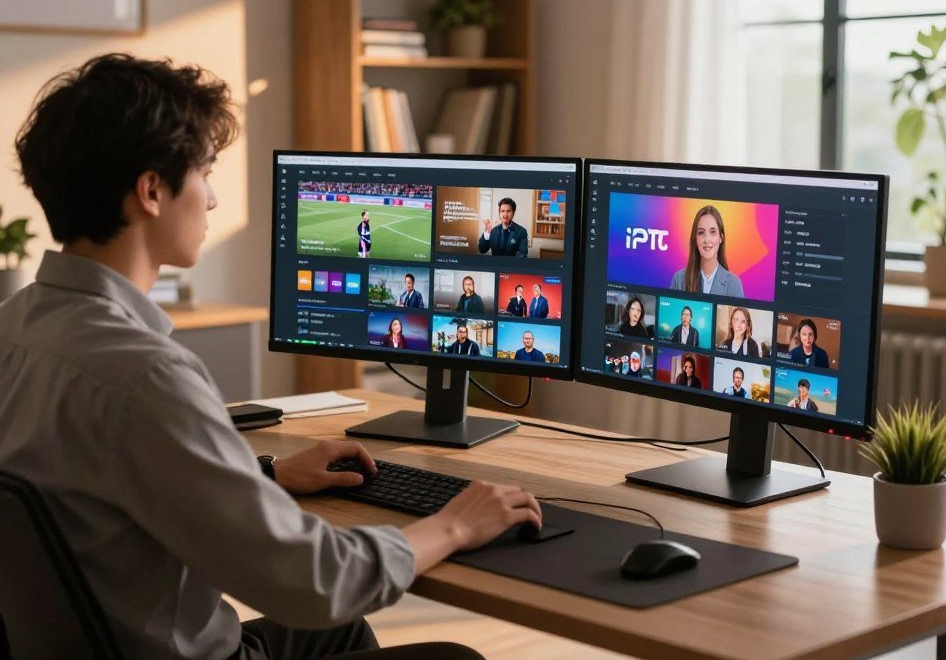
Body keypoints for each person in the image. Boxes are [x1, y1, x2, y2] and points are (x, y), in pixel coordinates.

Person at [0, 54, 541, 660]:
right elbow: (315, 583)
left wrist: (266, 477)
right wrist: (453, 525)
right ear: (152, 191)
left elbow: (91, 483)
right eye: (204, 172)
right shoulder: (147, 375)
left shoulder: (14, 328)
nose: (210, 199)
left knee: (338, 637)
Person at [669, 205, 744, 298]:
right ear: (695, 239)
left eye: (713, 232)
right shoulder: (679, 279)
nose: (707, 240)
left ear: (721, 238)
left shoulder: (734, 284)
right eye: (701, 233)